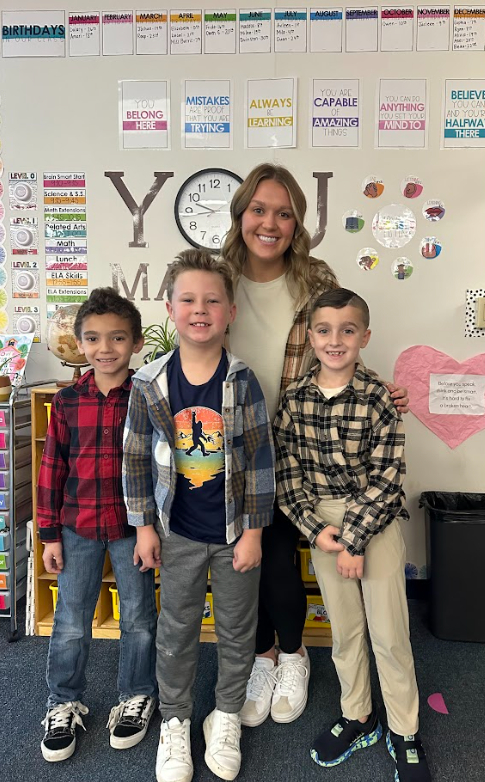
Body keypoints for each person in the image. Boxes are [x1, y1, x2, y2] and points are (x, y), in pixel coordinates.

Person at [222, 162, 409, 728]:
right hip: (230, 440)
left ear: (297, 221)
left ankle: (294, 653)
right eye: (259, 209)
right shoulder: (219, 275)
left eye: (284, 212)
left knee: (280, 556)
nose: (270, 222)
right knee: (240, 557)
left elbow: (338, 334)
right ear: (241, 215)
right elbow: (192, 333)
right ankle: (262, 657)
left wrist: (374, 389)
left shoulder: (314, 276)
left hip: (299, 437)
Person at [122, 249, 275, 782]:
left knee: (237, 631)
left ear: (231, 311)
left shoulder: (242, 379)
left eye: (212, 299)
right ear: (169, 308)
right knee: (177, 630)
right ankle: (176, 722)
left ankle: (226, 716)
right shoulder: (148, 384)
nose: (200, 309)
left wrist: (253, 533)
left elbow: (258, 458)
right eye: (188, 299)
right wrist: (143, 527)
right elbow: (136, 457)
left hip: (235, 534)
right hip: (178, 532)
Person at [274, 288, 431, 782]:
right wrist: (319, 532)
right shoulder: (295, 399)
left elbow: (388, 477)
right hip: (321, 524)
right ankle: (358, 714)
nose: (335, 340)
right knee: (345, 631)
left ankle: (404, 728)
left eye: (347, 331)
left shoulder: (380, 397)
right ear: (310, 337)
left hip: (375, 522)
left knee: (388, 633)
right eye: (324, 330)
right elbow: (288, 473)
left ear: (365, 336)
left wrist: (355, 541)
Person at [37, 288, 158, 762]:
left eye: (117, 338)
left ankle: (136, 694)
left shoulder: (149, 397)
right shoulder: (67, 401)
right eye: (93, 339)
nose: (104, 348)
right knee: (70, 621)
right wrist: (48, 534)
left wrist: (156, 526)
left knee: (139, 619)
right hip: (77, 528)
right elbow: (52, 469)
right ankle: (62, 701)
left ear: (136, 342)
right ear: (80, 343)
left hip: (133, 529)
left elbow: (160, 465)